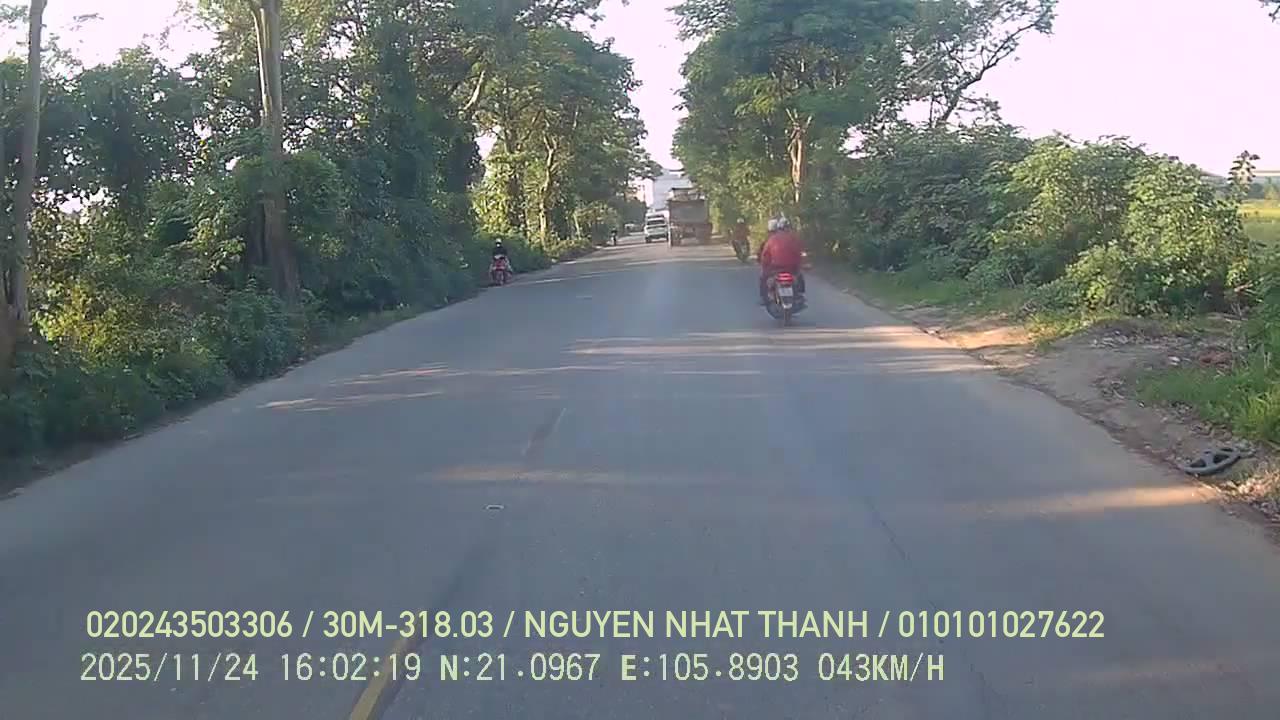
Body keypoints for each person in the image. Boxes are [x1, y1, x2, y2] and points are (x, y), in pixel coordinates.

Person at [758, 216, 805, 304]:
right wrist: (799, 264)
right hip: (791, 267)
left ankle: (764, 298)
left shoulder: (772, 239)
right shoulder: (793, 238)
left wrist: (764, 266)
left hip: (776, 267)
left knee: (763, 278)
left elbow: (765, 255)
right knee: (799, 276)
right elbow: (798, 253)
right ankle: (799, 294)